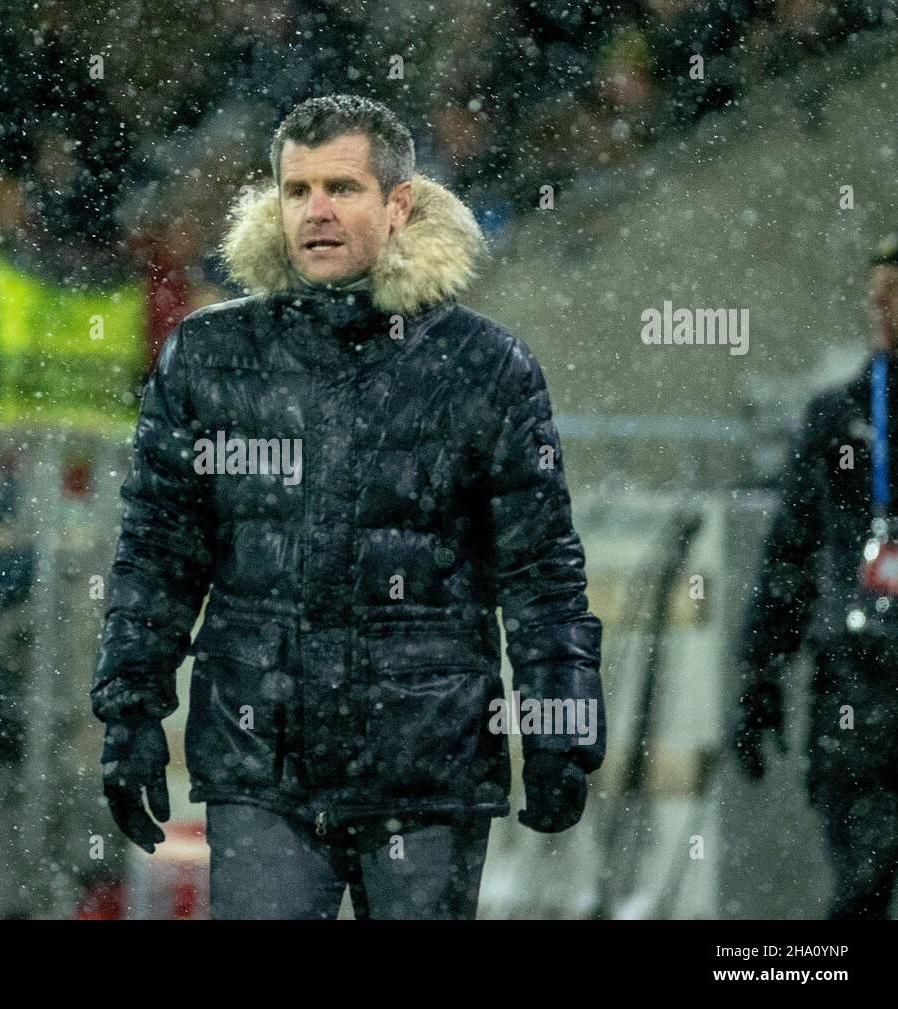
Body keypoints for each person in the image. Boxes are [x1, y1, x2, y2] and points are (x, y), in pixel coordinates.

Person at [90, 95, 606, 920]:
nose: (317, 211)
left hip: (426, 768)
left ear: (399, 204)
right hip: (263, 767)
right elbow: (157, 550)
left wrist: (561, 722)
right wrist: (129, 709)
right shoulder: (210, 356)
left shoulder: (486, 367)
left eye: (343, 187)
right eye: (297, 191)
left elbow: (541, 568)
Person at [733, 231, 898, 920]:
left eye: (897, 298)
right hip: (857, 683)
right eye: (877, 299)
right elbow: (790, 553)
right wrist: (759, 674)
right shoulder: (841, 417)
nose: (884, 313)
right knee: (861, 882)